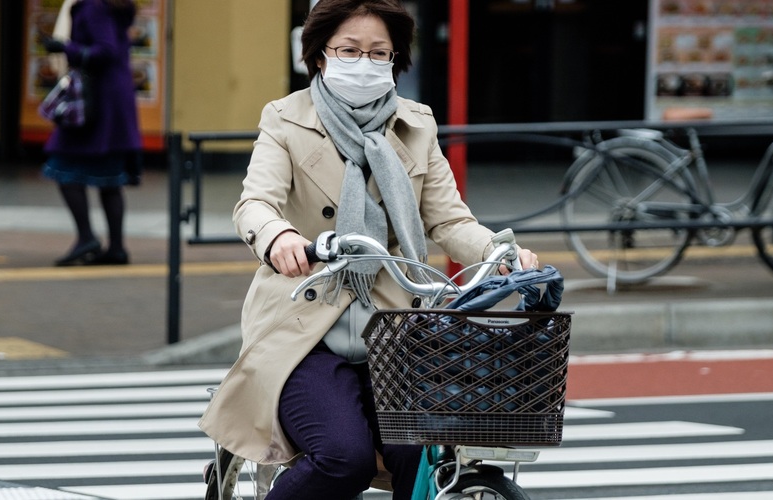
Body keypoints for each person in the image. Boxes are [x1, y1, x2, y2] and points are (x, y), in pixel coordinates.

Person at [198, 1, 540, 498]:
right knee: (344, 457)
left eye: (379, 53)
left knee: (420, 449)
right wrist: (280, 237)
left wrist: (500, 250)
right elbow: (255, 202)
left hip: (395, 330)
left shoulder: (417, 124)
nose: (365, 63)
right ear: (320, 56)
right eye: (349, 50)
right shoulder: (285, 119)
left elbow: (447, 219)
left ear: (395, 60)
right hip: (304, 330)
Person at [40, 0, 142, 266]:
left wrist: (64, 47)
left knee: (62, 165)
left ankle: (87, 237)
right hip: (112, 100)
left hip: (97, 102)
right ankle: (116, 247)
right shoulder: (110, 5)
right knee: (110, 178)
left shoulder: (94, 6)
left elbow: (104, 51)